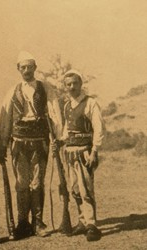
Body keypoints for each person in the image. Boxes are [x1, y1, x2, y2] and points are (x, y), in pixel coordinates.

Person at [0, 51, 62, 238]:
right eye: (23, 67)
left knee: (37, 183)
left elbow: (55, 112)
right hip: (18, 143)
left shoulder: (45, 89)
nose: (27, 70)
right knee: (21, 184)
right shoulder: (12, 91)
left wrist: (58, 138)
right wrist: (2, 144)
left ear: (35, 68)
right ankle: (22, 223)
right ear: (18, 69)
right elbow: (5, 118)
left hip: (40, 142)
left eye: (30, 67)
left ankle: (38, 222)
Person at [52, 70, 104, 241]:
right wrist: (59, 142)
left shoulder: (90, 103)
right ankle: (82, 221)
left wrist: (94, 151)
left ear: (81, 84)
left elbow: (98, 128)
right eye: (68, 84)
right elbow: (67, 130)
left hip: (85, 152)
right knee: (75, 190)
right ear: (65, 87)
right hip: (69, 152)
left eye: (75, 83)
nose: (72, 87)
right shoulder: (67, 106)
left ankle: (91, 224)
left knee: (86, 190)